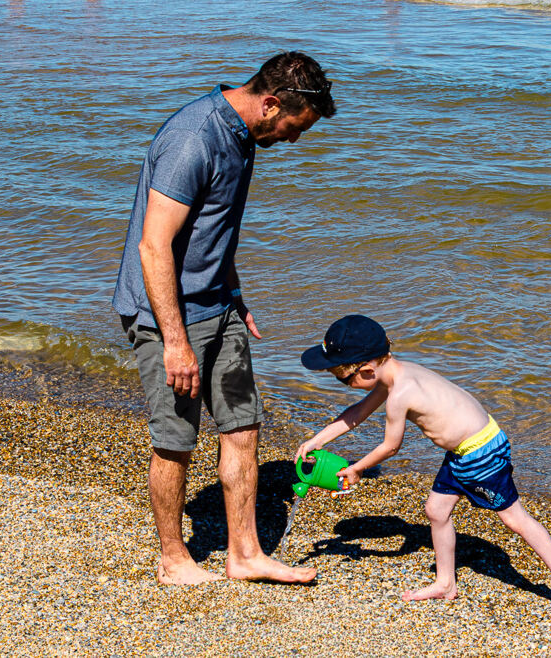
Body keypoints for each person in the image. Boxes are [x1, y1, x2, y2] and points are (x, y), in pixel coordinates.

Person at [112, 52, 336, 585]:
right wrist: (174, 341)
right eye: (292, 127)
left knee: (242, 427)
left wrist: (234, 290)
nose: (293, 139)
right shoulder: (194, 138)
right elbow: (154, 245)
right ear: (269, 103)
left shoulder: (243, 137)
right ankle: (174, 559)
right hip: (166, 316)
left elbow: (214, 229)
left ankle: (245, 554)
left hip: (218, 305)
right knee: (176, 440)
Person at [294, 315, 551, 622]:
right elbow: (358, 412)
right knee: (436, 510)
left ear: (366, 370)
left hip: (480, 453)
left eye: (341, 376)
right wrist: (318, 439)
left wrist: (357, 468)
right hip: (462, 451)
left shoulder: (400, 394)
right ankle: (446, 583)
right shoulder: (396, 374)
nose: (343, 383)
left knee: (515, 518)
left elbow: (391, 447)